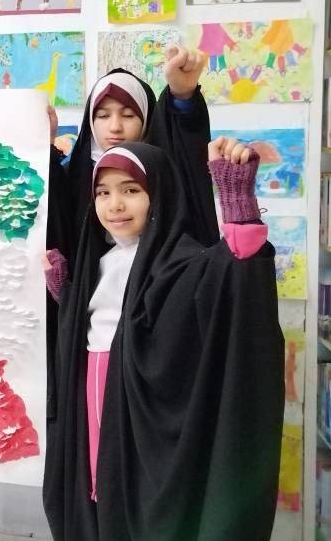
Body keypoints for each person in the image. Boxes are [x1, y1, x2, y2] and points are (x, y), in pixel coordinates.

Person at [42, 138, 284, 541]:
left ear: (159, 193)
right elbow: (92, 331)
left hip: (142, 428)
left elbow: (237, 276)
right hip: (92, 412)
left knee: (132, 511)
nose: (115, 204)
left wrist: (238, 205)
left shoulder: (181, 261)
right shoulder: (98, 261)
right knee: (96, 505)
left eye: (131, 190)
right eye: (103, 192)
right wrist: (67, 297)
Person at [44, 47, 217, 420]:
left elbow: (187, 151)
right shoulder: (73, 177)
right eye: (102, 115)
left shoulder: (162, 173)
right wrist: (40, 143)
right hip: (90, 340)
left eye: (128, 114)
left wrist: (182, 96)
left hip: (153, 341)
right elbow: (50, 217)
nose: (115, 128)